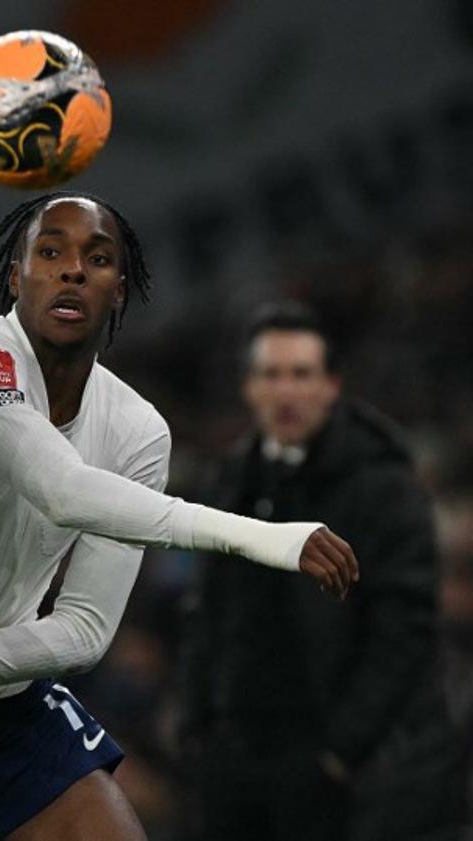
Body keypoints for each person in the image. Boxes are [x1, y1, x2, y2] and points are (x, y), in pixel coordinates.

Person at [0, 192, 358, 841]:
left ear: (121, 289)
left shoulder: (137, 432)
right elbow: (62, 489)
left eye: (99, 258)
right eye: (49, 251)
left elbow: (83, 630)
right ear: (14, 276)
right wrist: (267, 538)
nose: (73, 269)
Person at [179, 302, 468, 841]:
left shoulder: (384, 487)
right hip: (241, 759)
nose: (286, 391)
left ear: (331, 385)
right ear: (249, 388)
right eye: (271, 375)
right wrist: (196, 726)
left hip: (338, 770)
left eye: (301, 374)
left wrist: (341, 751)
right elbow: (208, 611)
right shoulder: (231, 482)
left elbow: (403, 632)